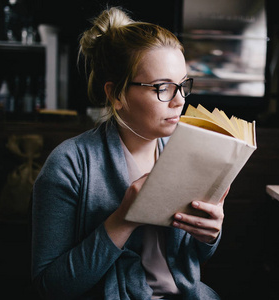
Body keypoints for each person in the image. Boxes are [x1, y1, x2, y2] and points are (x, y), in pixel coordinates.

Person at [31, 7, 226, 300]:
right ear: (115, 94)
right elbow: (49, 287)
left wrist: (209, 235)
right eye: (163, 88)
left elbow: (186, 262)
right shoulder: (69, 165)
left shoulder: (186, 153)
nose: (179, 101)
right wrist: (123, 219)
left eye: (183, 85)